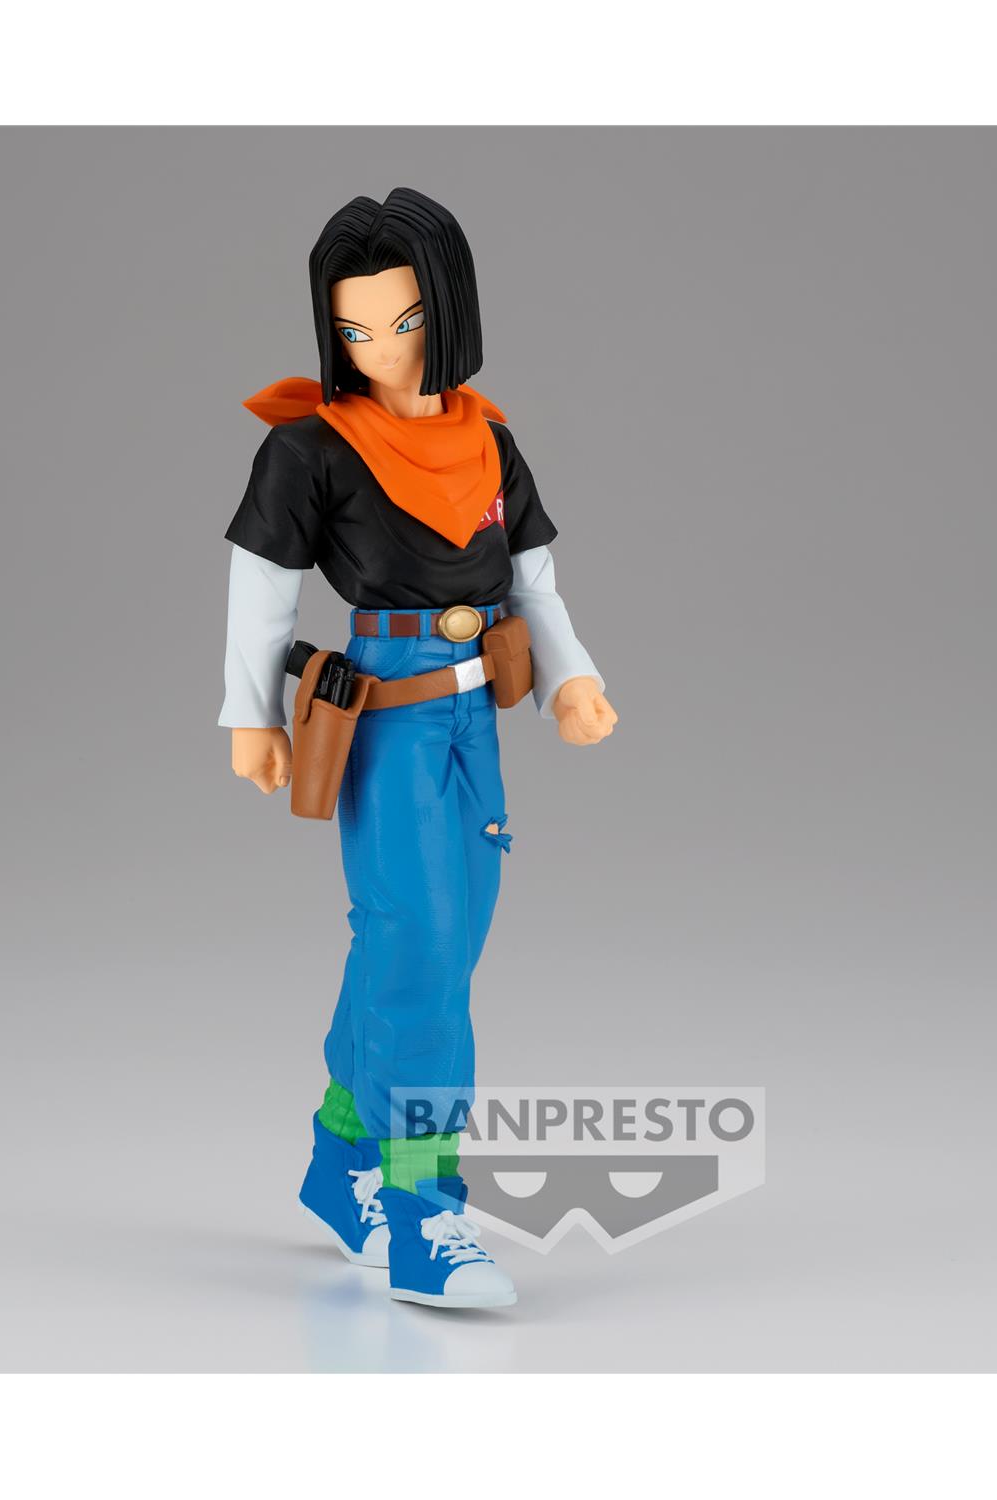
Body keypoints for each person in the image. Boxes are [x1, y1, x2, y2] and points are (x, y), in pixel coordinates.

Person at [218, 187, 617, 1309]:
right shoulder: (312, 448)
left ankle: (339, 1161)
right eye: (353, 329)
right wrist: (248, 713)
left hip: (474, 714)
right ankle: (422, 1211)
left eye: (403, 322)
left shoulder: (487, 439)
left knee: (431, 946)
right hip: (385, 718)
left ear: (448, 311)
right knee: (423, 957)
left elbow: (533, 579)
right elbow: (261, 586)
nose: (381, 350)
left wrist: (573, 676)